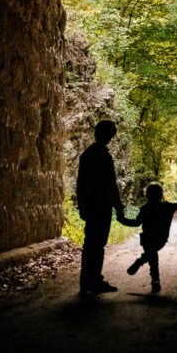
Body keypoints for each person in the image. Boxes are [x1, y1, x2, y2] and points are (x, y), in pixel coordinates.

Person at [119, 178, 177, 293]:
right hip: (161, 239)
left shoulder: (145, 208)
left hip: (147, 239)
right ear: (161, 195)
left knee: (152, 255)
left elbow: (136, 223)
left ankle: (147, 269)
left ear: (147, 195)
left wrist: (122, 220)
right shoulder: (167, 207)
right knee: (153, 255)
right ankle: (154, 279)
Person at [76, 120, 127, 296]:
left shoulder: (87, 154)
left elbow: (80, 184)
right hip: (101, 206)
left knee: (90, 243)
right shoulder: (103, 156)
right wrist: (119, 207)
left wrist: (81, 205)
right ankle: (94, 280)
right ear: (108, 135)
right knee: (97, 245)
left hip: (90, 206)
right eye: (110, 135)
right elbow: (110, 185)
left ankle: (86, 282)